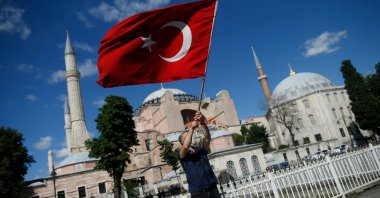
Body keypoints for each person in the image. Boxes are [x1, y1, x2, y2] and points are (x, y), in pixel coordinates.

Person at [178, 111, 221, 198]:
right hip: (198, 192)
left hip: (212, 188)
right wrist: (191, 129)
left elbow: (207, 138)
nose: (192, 136)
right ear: (182, 141)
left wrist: (202, 123)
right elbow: (186, 146)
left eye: (191, 135)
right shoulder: (182, 154)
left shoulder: (201, 150)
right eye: (188, 136)